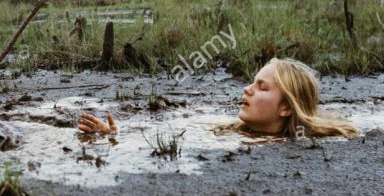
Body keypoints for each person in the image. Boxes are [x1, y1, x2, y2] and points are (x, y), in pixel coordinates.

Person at [77, 57, 359, 139]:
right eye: (251, 83)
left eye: (261, 88)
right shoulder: (229, 131)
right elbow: (167, 134)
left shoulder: (299, 145)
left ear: (286, 107)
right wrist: (113, 133)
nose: (246, 90)